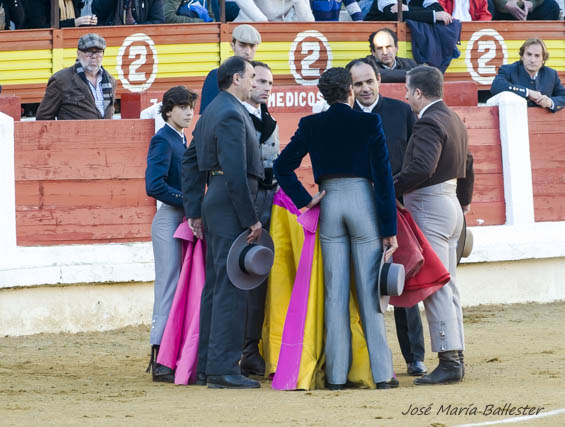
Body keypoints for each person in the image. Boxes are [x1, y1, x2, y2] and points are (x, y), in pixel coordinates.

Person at [273, 67, 399, 390]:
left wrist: (306, 200)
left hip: (329, 203)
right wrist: (389, 228)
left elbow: (282, 166)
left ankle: (337, 376)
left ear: (323, 95)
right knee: (370, 294)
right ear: (350, 91)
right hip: (361, 202)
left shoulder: (311, 124)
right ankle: (383, 374)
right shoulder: (369, 122)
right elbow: (383, 179)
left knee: (335, 294)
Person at [182, 56, 264, 389]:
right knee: (231, 286)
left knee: (216, 286)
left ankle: (206, 365)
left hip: (214, 201)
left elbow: (189, 163)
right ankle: (223, 369)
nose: (254, 83)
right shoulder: (231, 113)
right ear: (235, 79)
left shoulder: (210, 113)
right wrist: (251, 218)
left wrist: (195, 210)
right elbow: (234, 171)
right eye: (251, 77)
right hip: (230, 204)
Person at [346, 57, 427, 377]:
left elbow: (414, 157)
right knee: (361, 282)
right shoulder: (344, 118)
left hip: (398, 207)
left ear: (379, 79)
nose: (365, 89)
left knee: (401, 279)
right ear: (350, 88)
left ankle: (414, 357)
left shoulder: (400, 111)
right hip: (357, 208)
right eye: (358, 84)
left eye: (369, 81)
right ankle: (366, 357)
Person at [395, 65, 474, 385]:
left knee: (437, 285)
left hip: (429, 205)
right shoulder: (453, 118)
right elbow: (468, 163)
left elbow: (422, 167)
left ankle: (449, 360)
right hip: (451, 202)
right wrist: (464, 201)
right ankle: (456, 354)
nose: (404, 95)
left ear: (418, 92)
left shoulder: (428, 121)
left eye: (407, 90)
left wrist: (390, 187)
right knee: (449, 283)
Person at [144, 86, 198, 382]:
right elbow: (154, 186)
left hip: (183, 218)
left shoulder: (181, 139)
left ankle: (171, 354)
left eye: (190, 106)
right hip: (169, 219)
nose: (189, 112)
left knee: (179, 286)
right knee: (168, 285)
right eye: (182, 107)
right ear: (167, 111)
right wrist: (188, 200)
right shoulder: (162, 140)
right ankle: (160, 358)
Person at [240, 61, 279, 377]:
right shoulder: (236, 117)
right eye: (261, 81)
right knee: (239, 279)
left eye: (270, 83)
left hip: (268, 202)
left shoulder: (270, 120)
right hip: (244, 204)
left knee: (258, 277)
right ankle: (239, 350)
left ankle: (251, 349)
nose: (266, 87)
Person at [36, 33, 116, 120]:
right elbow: (43, 118)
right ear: (78, 53)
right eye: (88, 52)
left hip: (105, 132)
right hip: (73, 133)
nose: (94, 56)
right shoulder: (61, 80)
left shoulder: (110, 81)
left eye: (98, 52)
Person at [491, 38, 565, 113]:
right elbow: (496, 86)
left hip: (543, 122)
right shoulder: (508, 70)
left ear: (543, 59)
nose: (532, 60)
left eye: (537, 56)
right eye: (529, 54)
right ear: (522, 56)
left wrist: (551, 102)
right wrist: (528, 92)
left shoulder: (551, 74)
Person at [199, 24, 261, 114]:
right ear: (232, 46)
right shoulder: (216, 76)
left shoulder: (259, 77)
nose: (248, 52)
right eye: (242, 45)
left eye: (252, 46)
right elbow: (206, 115)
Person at [365, 0, 454, 24]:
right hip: (375, 39)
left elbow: (438, 9)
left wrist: (408, 8)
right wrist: (433, 15)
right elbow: (395, 15)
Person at [20, 0, 96, 28]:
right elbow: (38, 26)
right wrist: (74, 23)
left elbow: (75, 23)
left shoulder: (73, 1)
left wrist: (87, 21)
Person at [92, 0, 164, 25]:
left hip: (141, 40)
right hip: (111, 39)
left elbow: (158, 21)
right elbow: (97, 16)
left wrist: (136, 26)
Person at [233, 0, 314, 21]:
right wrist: (261, 20)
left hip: (279, 35)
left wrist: (298, 1)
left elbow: (308, 21)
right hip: (249, 24)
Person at [487, 0, 560, 20]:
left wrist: (532, 3)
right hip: (498, 11)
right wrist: (504, 3)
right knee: (486, 4)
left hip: (526, 10)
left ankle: (540, 45)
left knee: (552, 6)